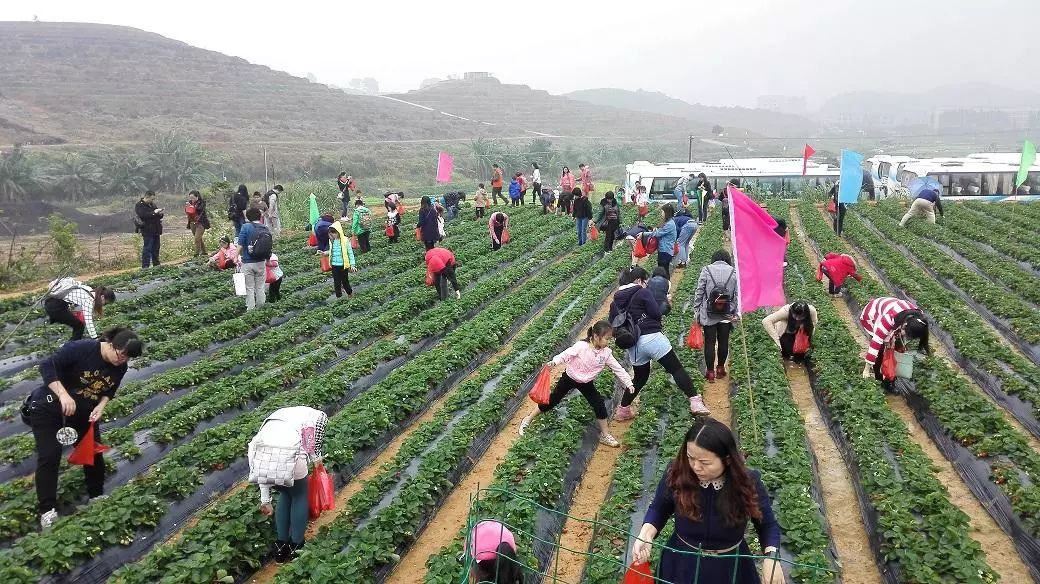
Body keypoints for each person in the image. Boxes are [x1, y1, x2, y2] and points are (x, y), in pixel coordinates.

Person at [631, 418, 783, 584]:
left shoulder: (747, 482)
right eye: (690, 458)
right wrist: (645, 534)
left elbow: (767, 525)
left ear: (727, 459)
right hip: (682, 563)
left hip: (730, 567)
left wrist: (771, 556)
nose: (696, 467)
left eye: (705, 462)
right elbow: (659, 509)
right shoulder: (676, 474)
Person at [28, 327, 143, 528]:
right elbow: (47, 366)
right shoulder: (81, 349)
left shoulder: (120, 367)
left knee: (92, 451)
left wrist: (100, 406)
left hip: (82, 411)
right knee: (50, 455)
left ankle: (96, 495)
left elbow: (110, 390)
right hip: (49, 407)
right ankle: (47, 510)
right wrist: (64, 395)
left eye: (127, 358)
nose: (122, 360)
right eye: (121, 354)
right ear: (111, 344)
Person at [611, 266, 707, 419]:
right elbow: (656, 312)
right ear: (638, 280)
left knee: (640, 378)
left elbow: (614, 324)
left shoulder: (615, 302)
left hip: (633, 345)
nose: (646, 284)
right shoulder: (642, 292)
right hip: (652, 338)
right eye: (645, 281)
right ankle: (695, 401)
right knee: (675, 369)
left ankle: (623, 411)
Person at [518, 320, 634, 447]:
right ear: (596, 336)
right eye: (607, 338)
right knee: (552, 400)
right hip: (570, 377)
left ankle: (605, 435)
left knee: (599, 404)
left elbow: (618, 368)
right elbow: (565, 355)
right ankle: (527, 419)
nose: (608, 342)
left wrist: (629, 383)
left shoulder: (606, 354)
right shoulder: (581, 347)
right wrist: (554, 362)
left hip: (586, 383)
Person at [248, 406, 328, 563]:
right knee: (299, 496)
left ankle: (280, 546)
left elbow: (262, 466)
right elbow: (312, 447)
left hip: (260, 458)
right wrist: (318, 464)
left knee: (285, 493)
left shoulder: (277, 416)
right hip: (291, 456)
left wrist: (265, 500)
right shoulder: (319, 417)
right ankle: (296, 545)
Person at [860, 297, 931, 390]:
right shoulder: (888, 319)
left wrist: (894, 341)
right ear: (905, 325)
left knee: (896, 346)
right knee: (880, 349)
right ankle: (878, 376)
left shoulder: (919, 319)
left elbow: (902, 334)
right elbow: (875, 343)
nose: (907, 336)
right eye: (907, 333)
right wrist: (866, 369)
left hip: (896, 315)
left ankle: (890, 378)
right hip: (873, 315)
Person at [694, 250, 738, 381]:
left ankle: (710, 372)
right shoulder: (733, 271)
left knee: (710, 342)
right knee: (724, 341)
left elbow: (700, 290)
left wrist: (697, 308)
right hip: (726, 313)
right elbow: (737, 294)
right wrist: (734, 310)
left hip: (709, 313)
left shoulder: (707, 270)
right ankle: (720, 369)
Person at [43, 278, 116, 341]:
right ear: (102, 297)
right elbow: (89, 322)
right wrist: (95, 338)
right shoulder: (88, 300)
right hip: (55, 307)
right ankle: (71, 347)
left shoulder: (89, 290)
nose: (103, 305)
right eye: (105, 303)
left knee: (77, 322)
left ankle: (72, 342)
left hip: (52, 302)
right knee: (79, 326)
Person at [237, 208, 271, 310]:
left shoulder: (245, 227)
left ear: (248, 217)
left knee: (249, 288)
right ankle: (261, 309)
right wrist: (268, 260)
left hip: (248, 262)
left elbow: (240, 244)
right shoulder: (265, 227)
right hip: (261, 262)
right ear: (259, 216)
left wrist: (235, 257)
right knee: (260, 287)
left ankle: (251, 310)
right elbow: (269, 245)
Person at [325, 222, 358, 298]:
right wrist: (324, 253)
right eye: (331, 233)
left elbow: (350, 253)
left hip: (343, 265)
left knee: (345, 281)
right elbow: (331, 251)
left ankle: (350, 294)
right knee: (336, 282)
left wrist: (352, 265)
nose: (333, 234)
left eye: (334, 232)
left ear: (339, 231)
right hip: (334, 265)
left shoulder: (345, 240)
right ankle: (339, 297)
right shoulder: (331, 241)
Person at [647, 203, 679, 277]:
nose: (661, 213)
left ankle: (666, 285)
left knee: (663, 271)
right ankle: (666, 285)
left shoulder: (669, 224)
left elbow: (657, 234)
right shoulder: (669, 222)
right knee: (664, 270)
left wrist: (644, 234)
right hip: (665, 250)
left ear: (667, 213)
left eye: (662, 212)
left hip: (665, 251)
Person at [135, 190, 164, 269]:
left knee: (156, 248)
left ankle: (156, 265)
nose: (152, 201)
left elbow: (156, 215)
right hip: (147, 230)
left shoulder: (152, 204)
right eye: (151, 199)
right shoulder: (139, 205)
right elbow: (143, 215)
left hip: (156, 229)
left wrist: (160, 214)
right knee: (147, 248)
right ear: (147, 197)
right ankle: (145, 266)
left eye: (153, 199)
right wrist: (154, 213)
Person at [185, 190, 210, 258]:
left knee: (197, 238)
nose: (191, 199)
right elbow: (188, 212)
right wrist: (187, 207)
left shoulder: (202, 202)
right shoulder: (190, 203)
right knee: (199, 239)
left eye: (193, 197)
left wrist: (192, 207)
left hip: (201, 223)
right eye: (190, 198)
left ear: (197, 197)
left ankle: (196, 254)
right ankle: (204, 252)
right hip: (192, 223)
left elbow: (200, 209)